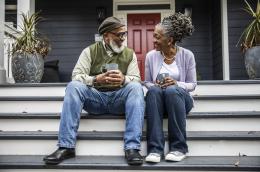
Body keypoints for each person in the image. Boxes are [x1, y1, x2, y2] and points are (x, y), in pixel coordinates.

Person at [43, 16, 145, 166]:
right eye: (119, 34)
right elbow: (76, 76)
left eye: (125, 34)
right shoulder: (89, 51)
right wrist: (96, 79)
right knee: (73, 86)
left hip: (119, 100)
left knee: (136, 87)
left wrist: (124, 79)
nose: (123, 38)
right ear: (106, 36)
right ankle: (66, 146)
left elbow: (136, 79)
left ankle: (132, 148)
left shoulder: (130, 54)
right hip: (95, 100)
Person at [144, 13, 196, 163]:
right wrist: (156, 85)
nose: (154, 40)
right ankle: (155, 150)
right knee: (153, 91)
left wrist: (176, 83)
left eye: (157, 37)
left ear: (170, 40)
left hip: (180, 100)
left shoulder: (187, 55)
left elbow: (192, 84)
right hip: (159, 100)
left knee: (172, 91)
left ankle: (179, 148)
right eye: (154, 36)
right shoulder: (150, 56)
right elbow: (146, 82)